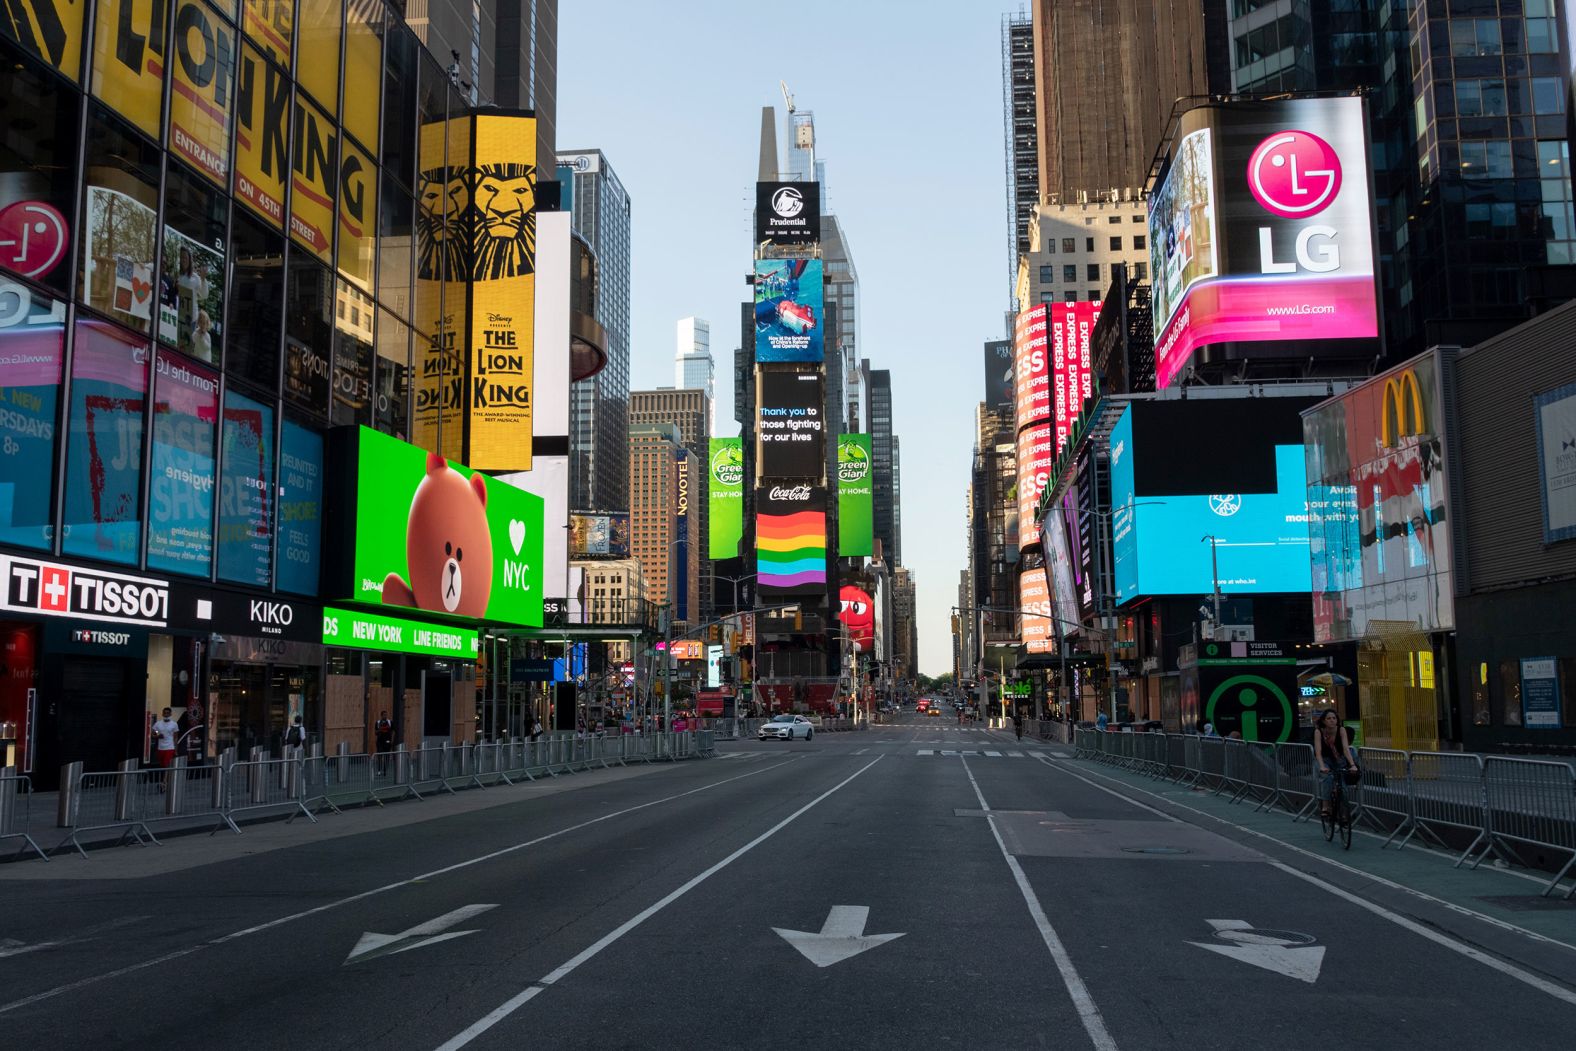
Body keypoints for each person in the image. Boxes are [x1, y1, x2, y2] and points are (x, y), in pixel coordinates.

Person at [1314, 709, 1359, 817]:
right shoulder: (1319, 731)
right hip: (1325, 760)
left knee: (1343, 786)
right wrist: (1321, 766)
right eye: (1329, 718)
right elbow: (1318, 752)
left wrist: (1352, 765)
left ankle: (1344, 813)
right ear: (1324, 721)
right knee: (1327, 778)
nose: (1332, 720)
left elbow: (1346, 749)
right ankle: (1325, 806)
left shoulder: (1341, 730)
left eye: (1334, 718)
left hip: (1339, 760)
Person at [151, 708, 179, 775]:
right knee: (162, 765)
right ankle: (164, 780)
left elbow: (175, 738)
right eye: (165, 713)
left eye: (168, 713)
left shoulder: (174, 724)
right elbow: (154, 733)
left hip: (170, 747)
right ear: (162, 714)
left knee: (167, 765)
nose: (166, 715)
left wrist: (176, 750)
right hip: (160, 748)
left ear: (170, 714)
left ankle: (164, 782)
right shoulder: (158, 724)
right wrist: (158, 735)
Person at [374, 711, 394, 775]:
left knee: (387, 756)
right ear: (381, 716)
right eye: (384, 715)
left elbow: (393, 731)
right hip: (380, 742)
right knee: (380, 756)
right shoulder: (378, 722)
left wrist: (392, 740)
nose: (385, 716)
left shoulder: (390, 722)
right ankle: (379, 770)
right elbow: (375, 732)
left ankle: (385, 770)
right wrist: (380, 730)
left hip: (387, 742)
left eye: (386, 715)